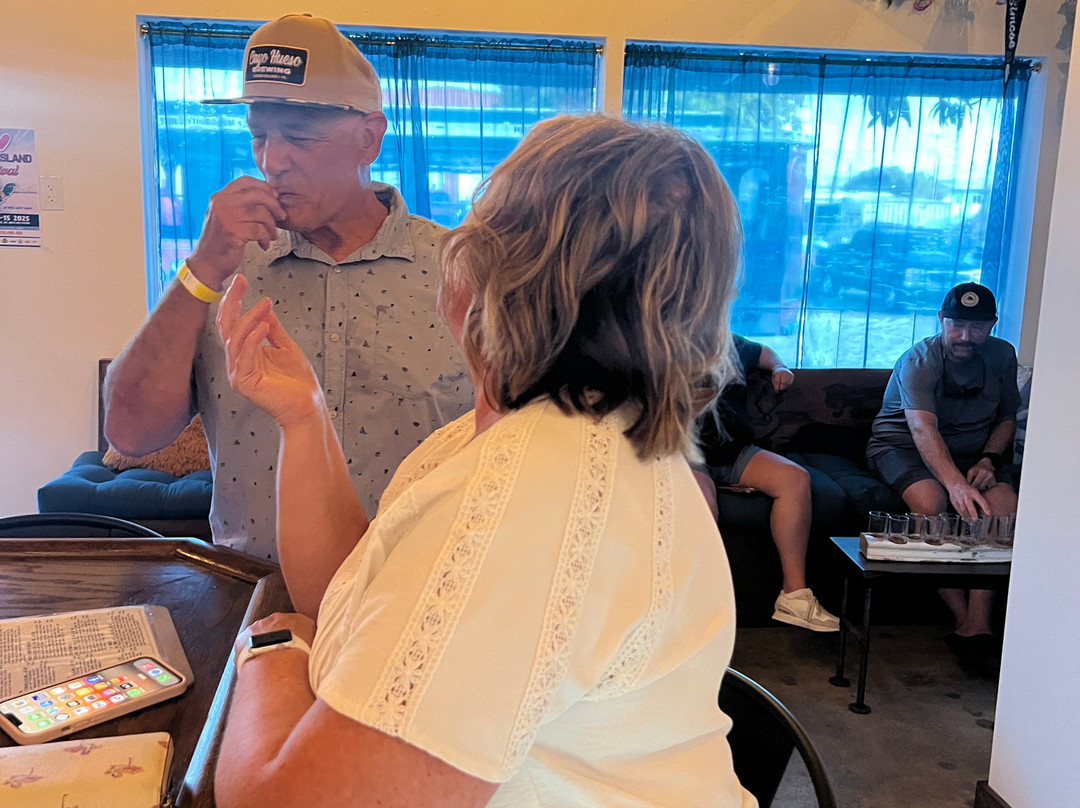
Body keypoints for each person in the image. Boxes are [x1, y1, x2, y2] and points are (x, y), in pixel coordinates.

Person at [211, 115, 755, 808]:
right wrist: (303, 414)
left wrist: (273, 654)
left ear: (503, 271)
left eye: (478, 216)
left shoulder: (534, 495)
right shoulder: (542, 431)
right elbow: (354, 602)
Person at [103, 14, 471, 559]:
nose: (272, 162)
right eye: (259, 136)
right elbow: (129, 434)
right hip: (250, 591)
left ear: (369, 138)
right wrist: (200, 270)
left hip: (418, 591)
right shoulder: (221, 271)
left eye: (298, 136)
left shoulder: (466, 270)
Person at [867, 282, 1019, 656]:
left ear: (992, 324)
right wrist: (956, 485)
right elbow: (922, 429)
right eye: (957, 325)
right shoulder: (919, 361)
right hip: (903, 448)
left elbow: (1007, 417)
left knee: (1004, 507)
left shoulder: (1003, 355)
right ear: (941, 320)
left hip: (972, 454)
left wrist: (989, 459)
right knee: (930, 501)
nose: (965, 336)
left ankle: (978, 624)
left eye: (977, 327)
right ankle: (961, 617)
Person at [696, 336, 839, 632]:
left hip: (736, 452)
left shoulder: (729, 340)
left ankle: (794, 598)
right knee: (704, 505)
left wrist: (779, 367)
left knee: (795, 478)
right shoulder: (661, 342)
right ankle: (699, 608)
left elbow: (763, 351)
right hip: (688, 453)